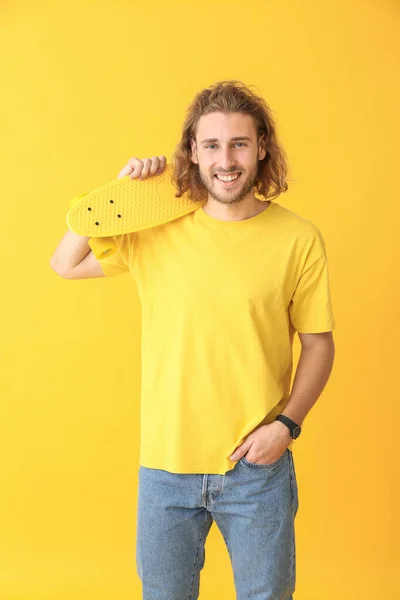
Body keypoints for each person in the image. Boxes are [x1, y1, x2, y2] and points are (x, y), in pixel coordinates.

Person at [50, 80, 336, 599]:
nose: (225, 160)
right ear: (193, 152)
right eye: (211, 145)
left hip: (256, 469)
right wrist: (116, 193)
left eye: (239, 144)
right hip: (165, 469)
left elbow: (319, 344)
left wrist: (287, 426)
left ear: (262, 147)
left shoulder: (299, 238)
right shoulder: (156, 229)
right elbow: (65, 265)